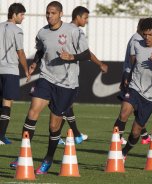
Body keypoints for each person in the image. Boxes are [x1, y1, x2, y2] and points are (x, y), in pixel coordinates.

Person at [10, 1, 91, 174]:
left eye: (53, 13)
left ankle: (48, 159)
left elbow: (86, 54)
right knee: (32, 112)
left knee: (54, 126)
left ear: (61, 14)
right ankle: (23, 155)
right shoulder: (42, 33)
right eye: (47, 13)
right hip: (47, 78)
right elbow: (41, 51)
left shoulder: (74, 31)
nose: (49, 16)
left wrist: (72, 57)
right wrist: (34, 64)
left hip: (67, 83)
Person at [116, 17, 152, 160]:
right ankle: (116, 145)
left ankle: (124, 152)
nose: (147, 37)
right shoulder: (137, 45)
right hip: (135, 87)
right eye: (145, 34)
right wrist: (127, 76)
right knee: (124, 113)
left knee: (136, 131)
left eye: (150, 34)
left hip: (151, 96)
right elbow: (134, 63)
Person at [58, 6, 109, 145]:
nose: (86, 21)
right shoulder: (77, 31)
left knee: (66, 106)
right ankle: (66, 136)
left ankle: (75, 134)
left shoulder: (61, 28)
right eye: (85, 18)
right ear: (78, 17)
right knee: (65, 105)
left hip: (57, 73)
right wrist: (100, 64)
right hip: (68, 75)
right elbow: (86, 53)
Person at [115, 18, 151, 145]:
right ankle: (117, 139)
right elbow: (133, 60)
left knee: (136, 108)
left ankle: (145, 136)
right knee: (126, 111)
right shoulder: (136, 39)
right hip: (131, 76)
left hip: (134, 75)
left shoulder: (141, 39)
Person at [0, 3, 30, 145]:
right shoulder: (17, 31)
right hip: (10, 70)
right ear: (14, 14)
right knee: (7, 102)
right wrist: (26, 69)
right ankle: (1, 136)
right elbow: (20, 52)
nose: (23, 18)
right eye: (22, 14)